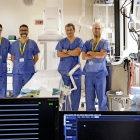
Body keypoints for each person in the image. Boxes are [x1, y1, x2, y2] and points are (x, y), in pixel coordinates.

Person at [82, 23, 110, 111]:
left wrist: (91, 53)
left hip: (100, 74)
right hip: (89, 74)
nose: (97, 30)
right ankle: (90, 117)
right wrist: (95, 54)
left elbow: (102, 55)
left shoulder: (105, 42)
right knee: (89, 98)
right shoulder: (87, 43)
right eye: (95, 28)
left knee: (102, 97)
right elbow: (83, 57)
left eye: (98, 28)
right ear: (92, 30)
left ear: (101, 30)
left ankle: (103, 118)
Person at [56, 23, 83, 111]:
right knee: (64, 93)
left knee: (76, 92)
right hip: (64, 71)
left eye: (71, 30)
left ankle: (74, 111)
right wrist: (72, 52)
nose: (69, 32)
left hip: (76, 71)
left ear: (74, 30)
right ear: (65, 31)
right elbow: (59, 54)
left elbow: (78, 53)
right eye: (67, 30)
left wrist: (66, 51)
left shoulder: (79, 41)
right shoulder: (62, 42)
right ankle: (65, 111)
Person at [9, 24, 40, 97]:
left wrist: (29, 65)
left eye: (25, 30)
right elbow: (12, 58)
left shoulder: (33, 43)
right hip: (17, 73)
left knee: (29, 92)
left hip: (29, 72)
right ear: (19, 32)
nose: (23, 32)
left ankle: (29, 107)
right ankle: (17, 107)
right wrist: (18, 65)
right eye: (22, 30)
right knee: (16, 92)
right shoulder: (14, 44)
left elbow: (36, 57)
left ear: (28, 32)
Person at [0, 24, 10, 98]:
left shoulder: (6, 41)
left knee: (3, 87)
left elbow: (9, 54)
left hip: (2, 67)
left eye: (0, 30)